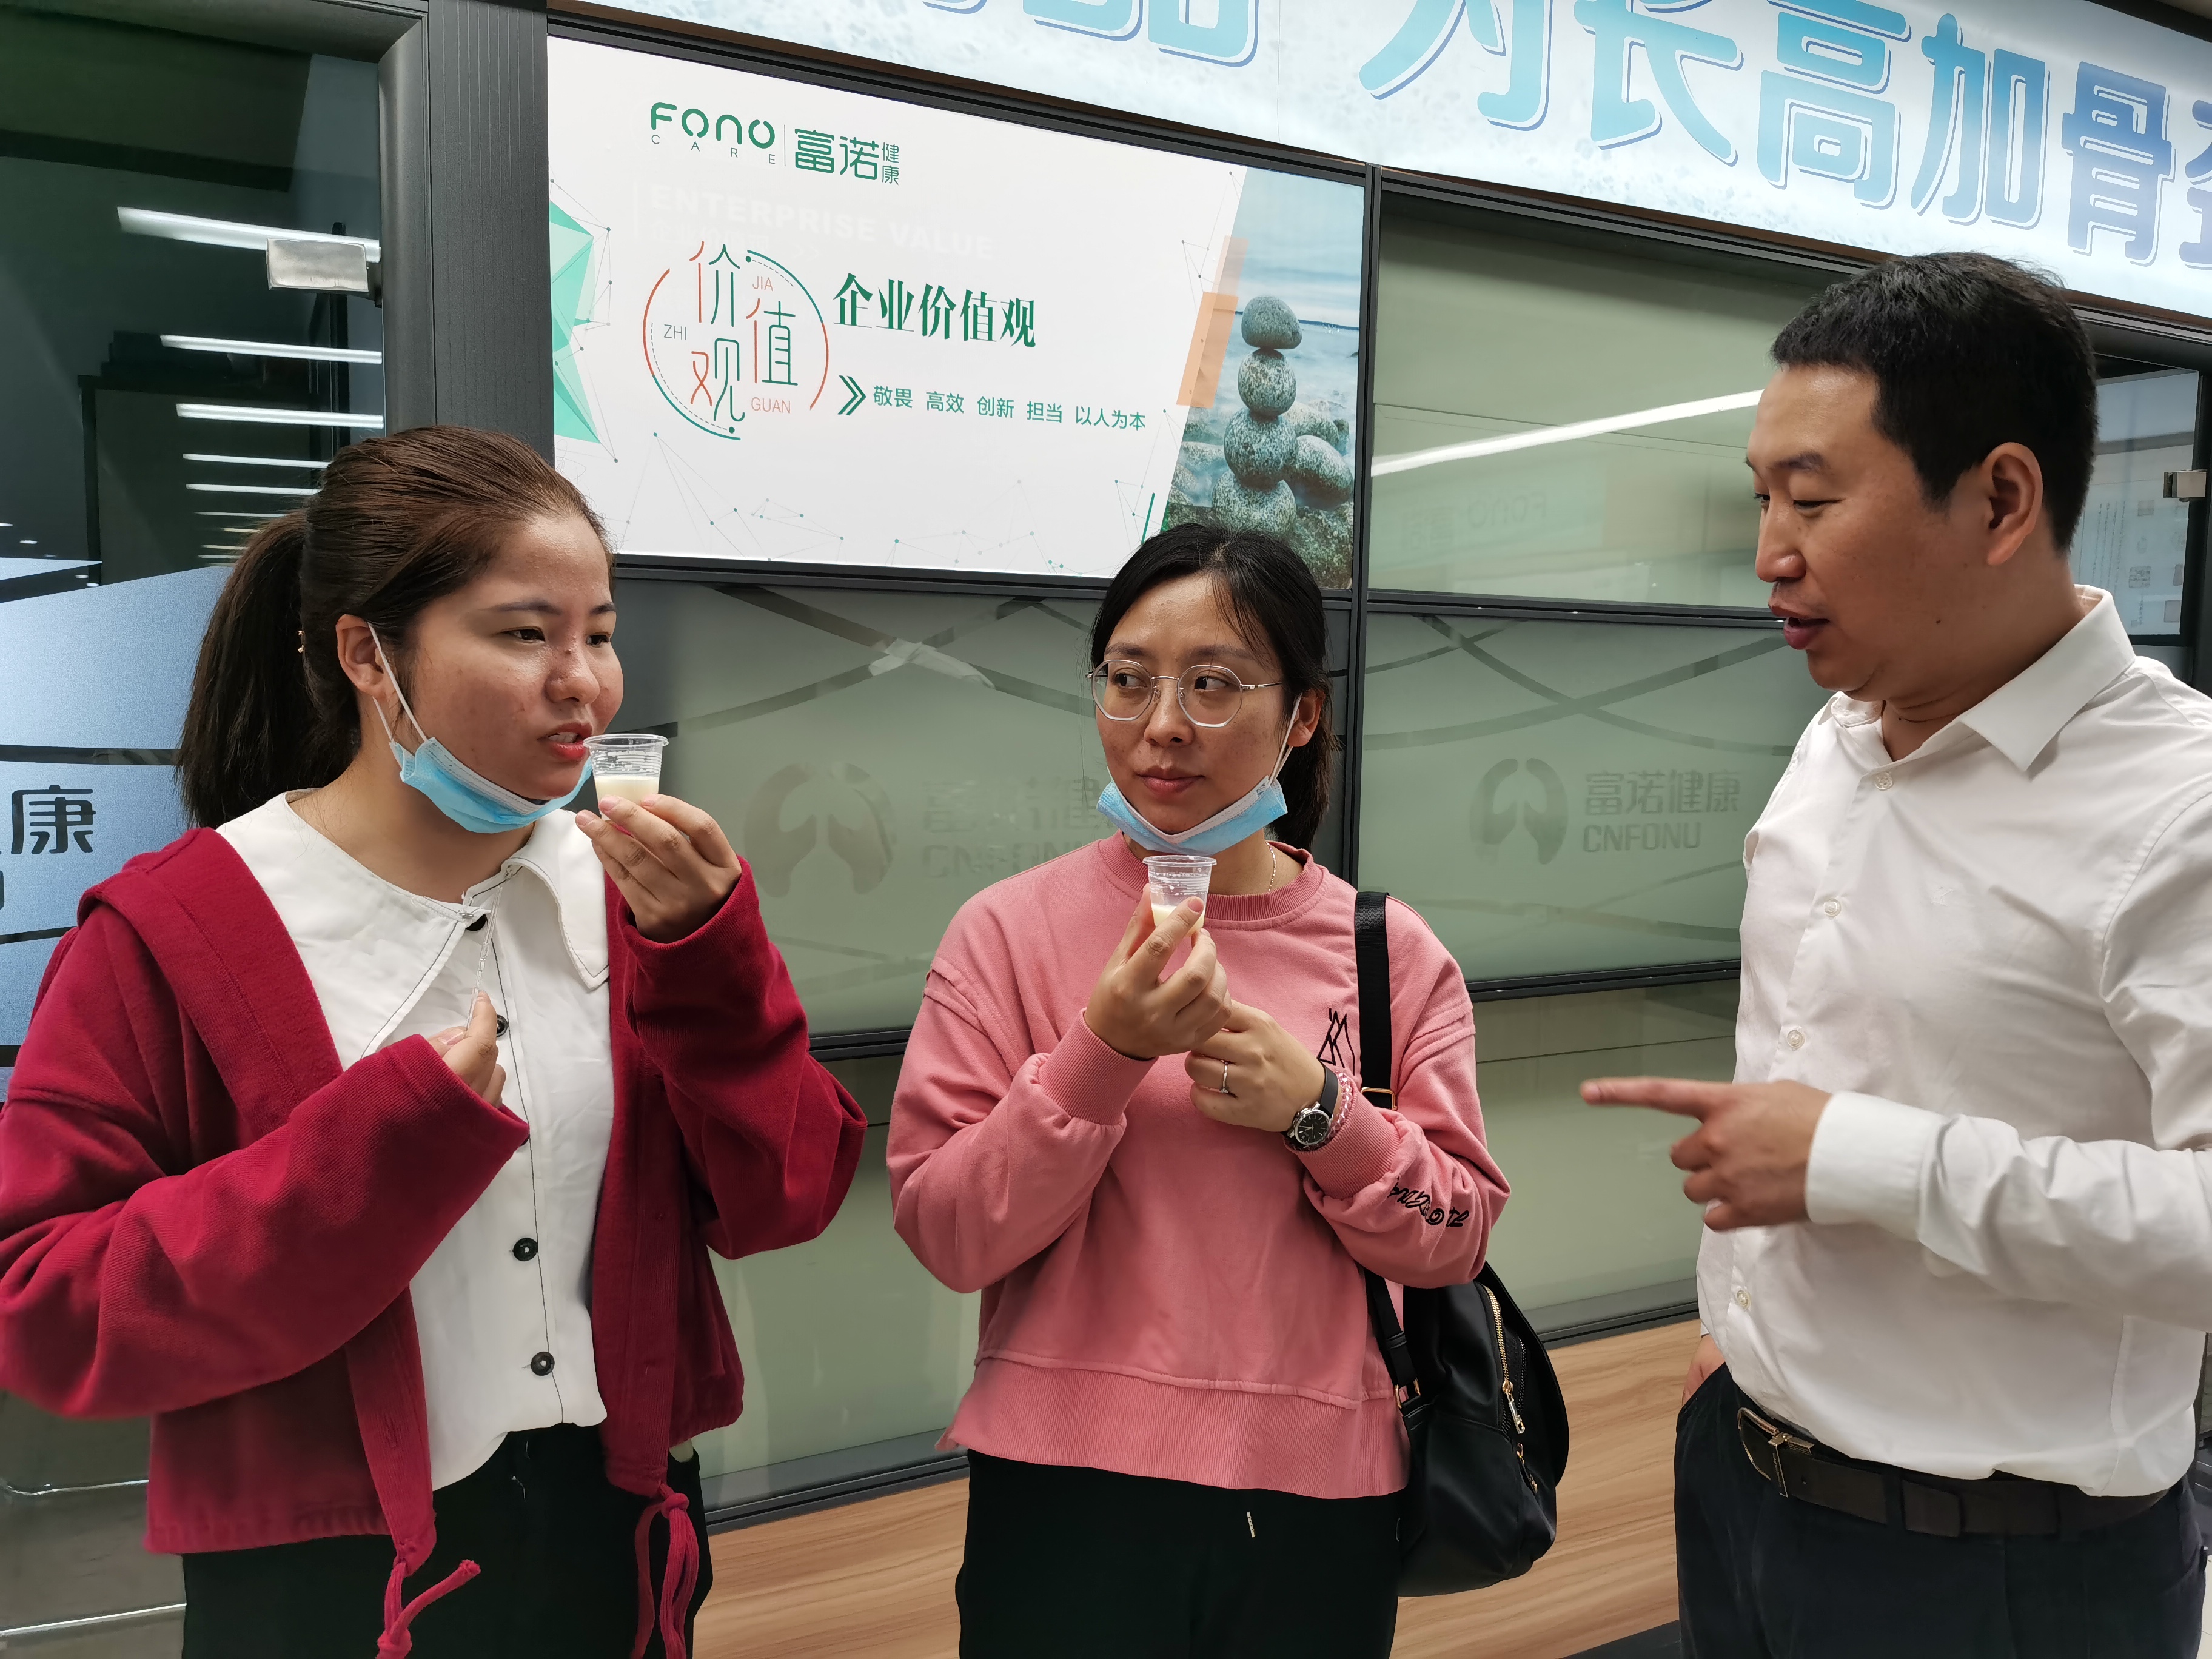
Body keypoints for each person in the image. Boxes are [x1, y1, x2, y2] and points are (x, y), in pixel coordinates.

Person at [0, 426, 867, 1658]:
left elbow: (788, 1197)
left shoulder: (642, 899)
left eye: (600, 634)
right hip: (331, 1576)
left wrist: (714, 970)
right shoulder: (175, 931)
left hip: (617, 1527)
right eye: (524, 635)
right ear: (367, 654)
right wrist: (381, 1149)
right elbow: (45, 1307)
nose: (584, 683)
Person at [1581, 253, 2212, 1657]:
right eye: (1761, 498)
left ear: (2001, 500)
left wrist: (1856, 1158)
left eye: (1813, 501)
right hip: (1747, 1478)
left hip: (2004, 1571)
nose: (1770, 552)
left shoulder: (2182, 808)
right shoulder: (1842, 730)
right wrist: (1741, 1349)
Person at [887, 526, 1509, 1659]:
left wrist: (1324, 1114)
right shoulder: (1006, 933)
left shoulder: (1389, 954)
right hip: (1063, 1483)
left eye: (1213, 684)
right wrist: (1102, 1055)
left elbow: (1457, 1236)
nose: (1162, 724)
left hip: (1318, 1496)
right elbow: (947, 1233)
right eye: (1129, 680)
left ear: (1303, 716)